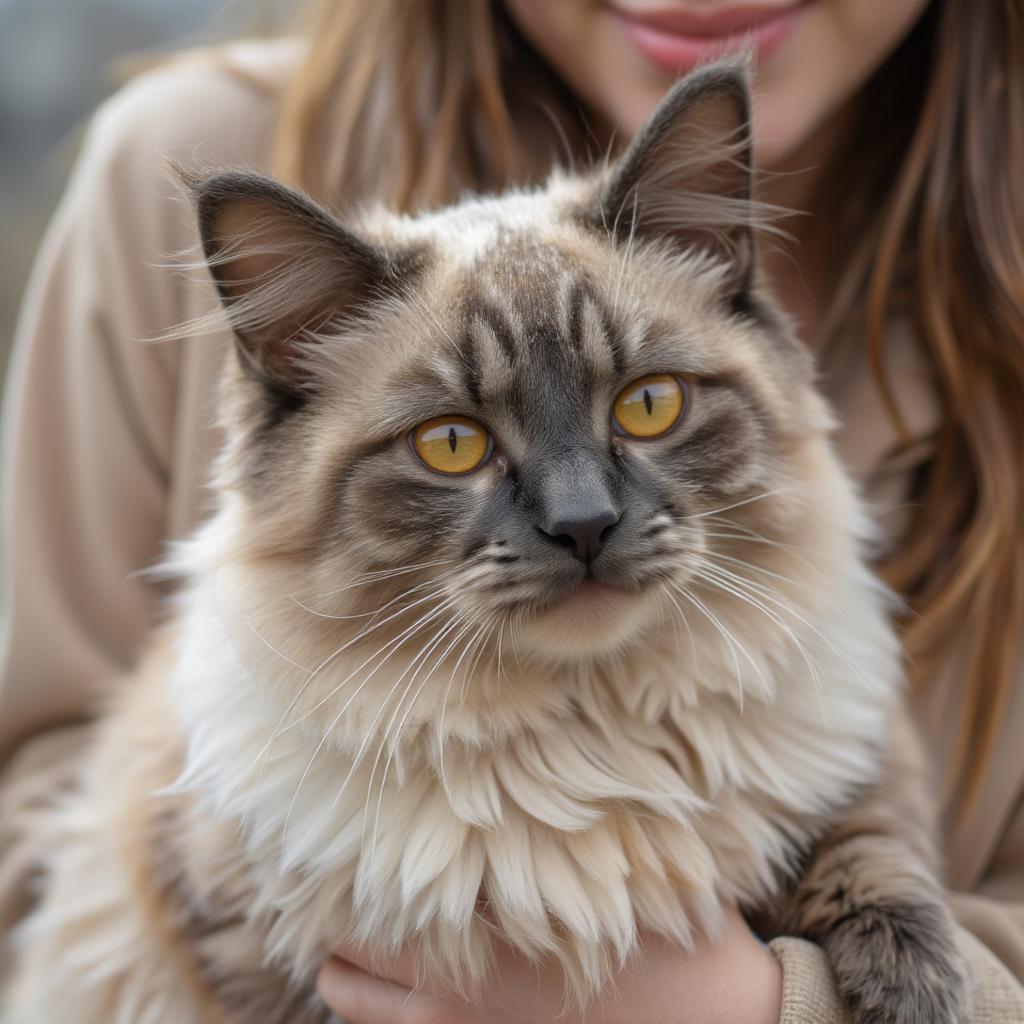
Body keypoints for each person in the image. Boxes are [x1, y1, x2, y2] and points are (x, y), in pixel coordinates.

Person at [1, 1, 1022, 1021]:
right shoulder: (179, 146)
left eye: (647, 405)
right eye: (454, 443)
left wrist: (758, 1005)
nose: (581, 515)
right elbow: (36, 822)